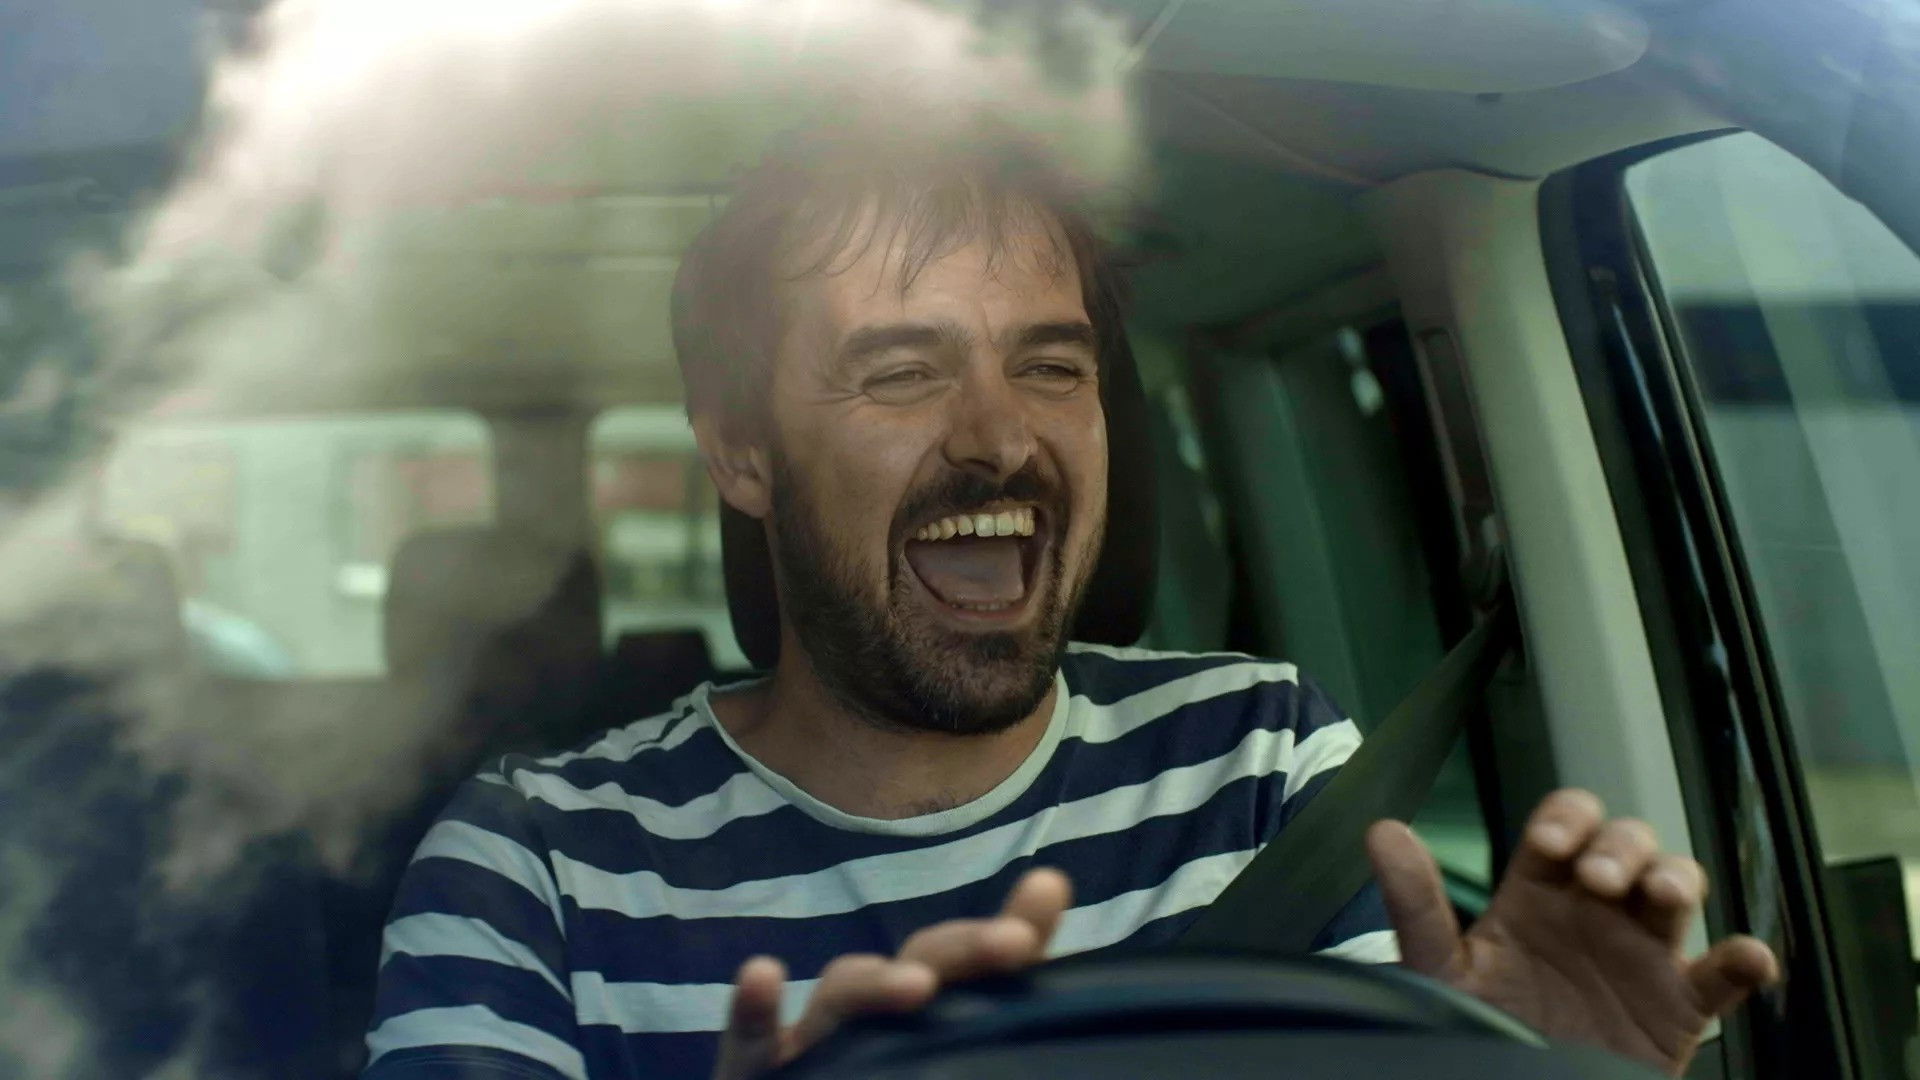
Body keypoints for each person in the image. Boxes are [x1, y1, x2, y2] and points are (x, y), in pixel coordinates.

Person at [362, 123, 1779, 1080]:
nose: (1000, 439)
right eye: (902, 372)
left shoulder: (1261, 765)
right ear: (740, 451)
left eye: (1050, 366)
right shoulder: (536, 869)